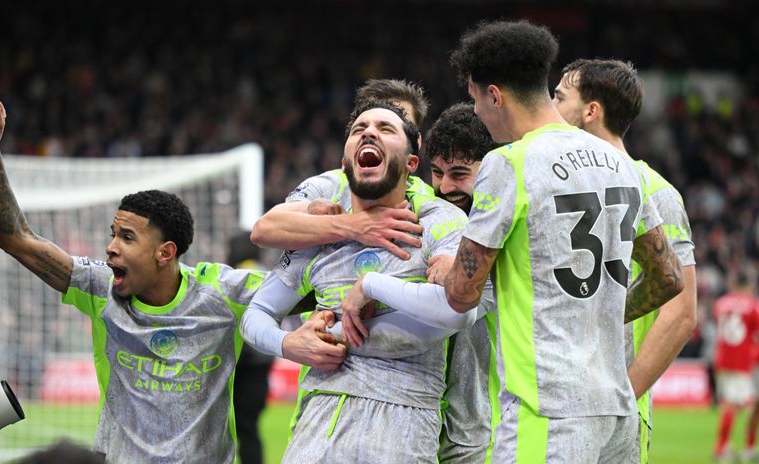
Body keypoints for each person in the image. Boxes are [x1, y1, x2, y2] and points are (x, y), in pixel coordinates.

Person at [341, 20, 684, 463]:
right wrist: (598, 313)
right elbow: (668, 276)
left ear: (494, 95)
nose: (477, 112)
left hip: (548, 412)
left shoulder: (510, 164)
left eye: (474, 98)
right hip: (617, 410)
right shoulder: (619, 163)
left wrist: (388, 281)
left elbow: (461, 295)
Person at [0, 99, 265, 463]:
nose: (110, 247)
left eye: (126, 237)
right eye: (113, 234)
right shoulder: (99, 287)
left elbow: (309, 290)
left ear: (165, 253)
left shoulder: (222, 292)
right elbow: (15, 238)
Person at [241, 100, 473, 463]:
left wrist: (370, 287)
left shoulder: (437, 221)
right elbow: (255, 314)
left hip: (401, 426)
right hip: (316, 427)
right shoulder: (320, 234)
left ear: (411, 163)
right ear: (345, 163)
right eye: (359, 129)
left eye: (386, 128)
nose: (369, 133)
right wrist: (288, 343)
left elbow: (459, 311)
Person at [552, 58, 698, 463]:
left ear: (591, 111)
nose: (549, 107)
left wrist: (623, 396)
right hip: (556, 404)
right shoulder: (556, 182)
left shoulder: (655, 191)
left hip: (614, 413)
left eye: (559, 97)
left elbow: (682, 312)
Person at [250, 78, 432, 261]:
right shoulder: (329, 184)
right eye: (366, 124)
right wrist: (353, 225)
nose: (372, 133)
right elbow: (263, 229)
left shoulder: (430, 202)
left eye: (391, 124)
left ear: (416, 142)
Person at [425, 102, 500, 463]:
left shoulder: (507, 237)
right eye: (436, 172)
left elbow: (452, 310)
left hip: (481, 437)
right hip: (424, 429)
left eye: (459, 173)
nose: (444, 187)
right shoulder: (425, 223)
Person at [227, 232, 271, 464]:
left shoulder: (240, 277)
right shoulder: (267, 273)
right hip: (262, 365)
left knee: (243, 430)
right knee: (249, 429)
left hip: (244, 367)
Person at [711, 268, 759, 461]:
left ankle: (734, 446)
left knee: (733, 402)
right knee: (735, 404)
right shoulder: (752, 305)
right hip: (742, 361)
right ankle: (722, 448)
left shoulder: (721, 303)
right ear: (748, 285)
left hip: (722, 359)